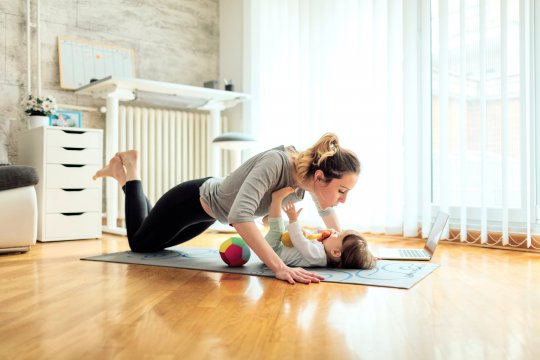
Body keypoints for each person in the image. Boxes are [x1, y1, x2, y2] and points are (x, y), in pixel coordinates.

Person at [93, 133, 360, 284]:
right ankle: (129, 170)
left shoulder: (307, 179)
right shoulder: (276, 163)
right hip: (190, 200)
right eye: (341, 191)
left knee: (153, 243)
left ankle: (121, 172)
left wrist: (351, 245)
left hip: (209, 215)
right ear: (320, 177)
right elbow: (240, 217)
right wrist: (279, 267)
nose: (343, 200)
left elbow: (326, 213)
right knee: (140, 243)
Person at [265, 187, 376, 269]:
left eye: (337, 235)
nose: (334, 232)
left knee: (278, 229)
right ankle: (268, 219)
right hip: (279, 247)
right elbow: (312, 234)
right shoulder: (324, 249)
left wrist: (293, 220)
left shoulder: (317, 256)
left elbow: (299, 241)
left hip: (272, 252)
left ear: (336, 252)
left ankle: (276, 199)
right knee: (283, 226)